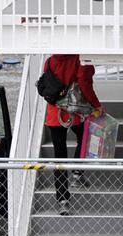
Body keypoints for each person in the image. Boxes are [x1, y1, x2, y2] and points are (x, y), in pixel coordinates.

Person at [44, 54, 102, 215]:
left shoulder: (49, 60)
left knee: (59, 156)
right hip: (74, 111)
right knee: (85, 137)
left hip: (55, 113)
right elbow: (84, 83)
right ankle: (77, 172)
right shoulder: (80, 58)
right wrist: (96, 105)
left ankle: (62, 199)